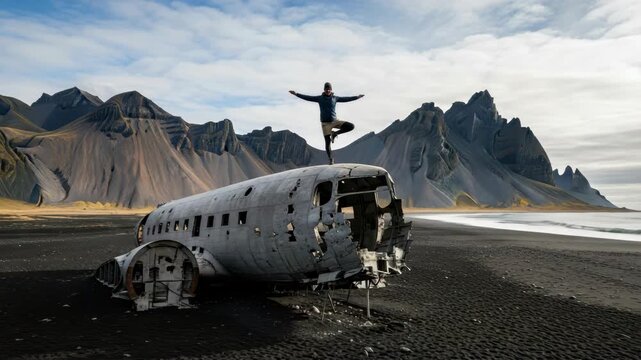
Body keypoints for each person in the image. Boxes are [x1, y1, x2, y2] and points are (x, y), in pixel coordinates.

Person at [289, 82, 364, 165]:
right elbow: (308, 97)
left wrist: (357, 97)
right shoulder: (319, 98)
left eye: (329, 89)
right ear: (324, 90)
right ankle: (331, 160)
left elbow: (346, 99)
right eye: (326, 89)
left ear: (331, 90)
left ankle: (335, 133)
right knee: (327, 143)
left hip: (335, 121)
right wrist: (296, 94)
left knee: (351, 126)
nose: (328, 90)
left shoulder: (335, 98)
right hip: (325, 124)